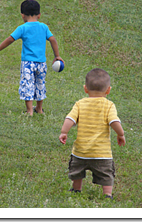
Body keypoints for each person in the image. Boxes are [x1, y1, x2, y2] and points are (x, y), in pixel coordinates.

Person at [59, 68, 125, 199]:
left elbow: (70, 119)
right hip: (102, 153)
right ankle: (107, 194)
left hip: (81, 151)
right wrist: (121, 134)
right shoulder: (109, 105)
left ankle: (76, 189)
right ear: (108, 90)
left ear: (85, 89)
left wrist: (64, 132)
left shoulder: (80, 104)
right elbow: (113, 121)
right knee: (106, 174)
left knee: (77, 172)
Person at [0, 0, 64, 116]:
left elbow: (10, 39)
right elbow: (53, 40)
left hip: (28, 64)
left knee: (27, 84)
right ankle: (39, 109)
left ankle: (30, 111)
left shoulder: (22, 28)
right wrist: (57, 56)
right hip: (41, 63)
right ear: (39, 15)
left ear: (22, 15)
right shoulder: (44, 27)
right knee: (40, 84)